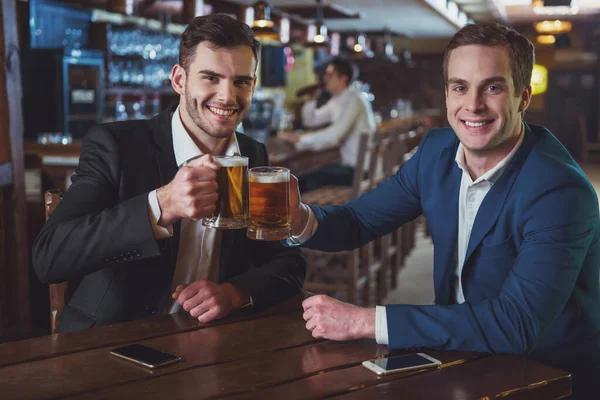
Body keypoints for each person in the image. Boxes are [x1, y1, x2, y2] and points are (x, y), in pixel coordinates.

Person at [288, 22, 600, 398]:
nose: (473, 105)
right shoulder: (436, 152)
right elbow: (359, 220)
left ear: (523, 97)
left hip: (546, 372)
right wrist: (301, 218)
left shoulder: (559, 190)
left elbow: (516, 324)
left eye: (493, 87)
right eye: (460, 87)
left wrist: (365, 320)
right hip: (458, 353)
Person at [32, 14, 306, 333]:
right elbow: (48, 258)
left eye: (241, 81)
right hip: (112, 340)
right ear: (179, 80)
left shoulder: (252, 153)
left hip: (210, 339)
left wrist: (234, 294)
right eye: (211, 78)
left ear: (253, 85)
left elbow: (288, 262)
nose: (228, 96)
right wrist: (161, 206)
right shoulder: (117, 146)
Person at [281, 58, 376, 191]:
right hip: (351, 166)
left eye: (330, 75)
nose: (325, 78)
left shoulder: (355, 100)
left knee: (304, 180)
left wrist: (301, 139)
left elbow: (336, 134)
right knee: (305, 177)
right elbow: (311, 121)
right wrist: (312, 98)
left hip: (360, 170)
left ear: (343, 78)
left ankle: (306, 211)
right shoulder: (338, 100)